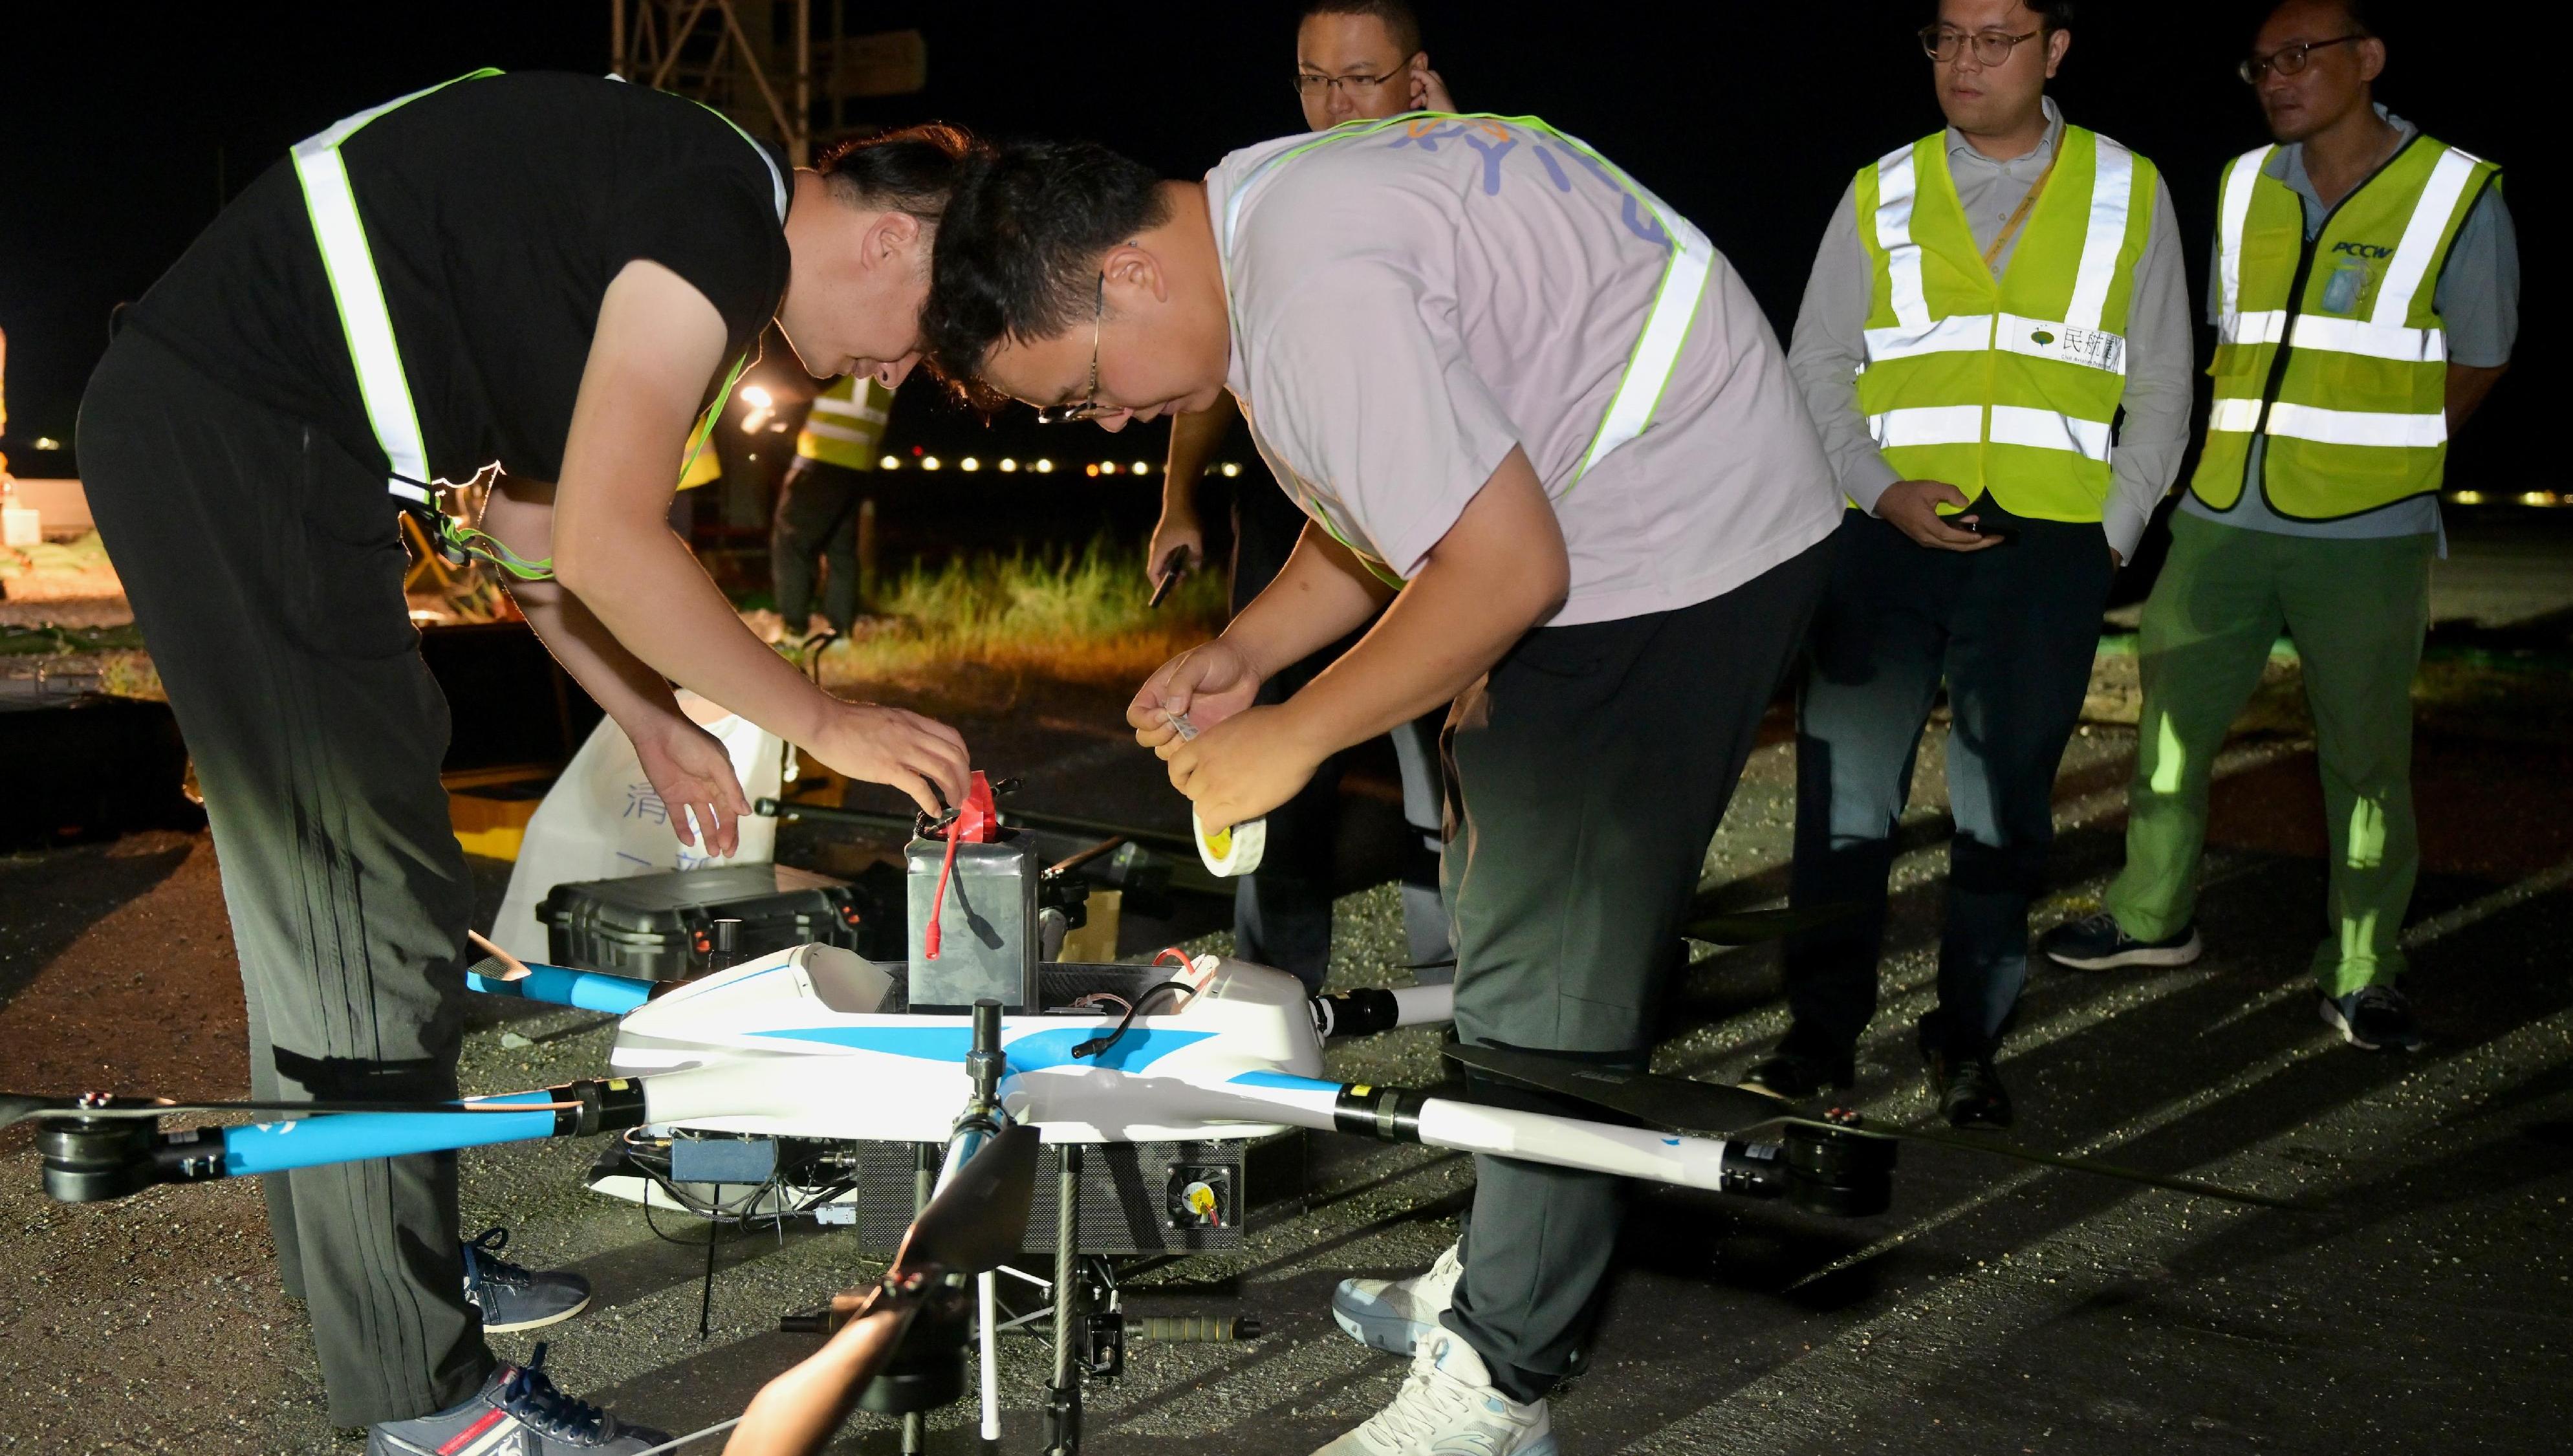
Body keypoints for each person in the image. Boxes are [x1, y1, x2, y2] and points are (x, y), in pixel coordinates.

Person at [77, 73, 976, 1455]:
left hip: (259, 446)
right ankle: (420, 1405)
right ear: (892, 238)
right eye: (925, 340)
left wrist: (647, 713)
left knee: (357, 908)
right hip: (245, 444)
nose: (894, 374)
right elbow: (617, 544)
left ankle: (396, 1264)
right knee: (358, 918)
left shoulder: (659, 206)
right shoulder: (717, 226)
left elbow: (540, 542)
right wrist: (823, 717)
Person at [926, 117, 1840, 1455]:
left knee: (1550, 969)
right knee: (1508, 913)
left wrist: (1291, 736)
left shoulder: (1310, 293)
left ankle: (1499, 1382)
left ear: (1124, 274)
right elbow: (1393, 506)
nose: (1111, 420)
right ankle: (1507, 1261)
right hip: (1630, 519)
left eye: (1081, 391)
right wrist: (1249, 649)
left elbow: (1500, 569)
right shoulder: (1262, 218)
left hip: (1671, 548)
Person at [2040, 0, 2514, 1052]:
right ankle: (2150, 916)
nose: (2278, 78)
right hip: (2222, 517)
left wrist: (2384, 457)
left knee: (2363, 759)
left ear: (2369, 59)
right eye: (2261, 64)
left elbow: (2479, 357)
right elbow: (2235, 342)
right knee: (2169, 728)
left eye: (2301, 56)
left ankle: (2360, 967)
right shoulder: (2246, 183)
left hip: (2367, 534)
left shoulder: (2453, 193)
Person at [1753, 0, 2193, 1128]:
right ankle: (1820, 1028)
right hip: (1885, 537)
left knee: (2004, 812)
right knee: (1843, 796)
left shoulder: (2127, 189)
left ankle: (1967, 1033)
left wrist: (2110, 531)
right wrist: (1874, 488)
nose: (1964, 60)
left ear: (2054, 49)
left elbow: (2160, 381)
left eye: (1995, 38)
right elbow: (1817, 364)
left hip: (2047, 547)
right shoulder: (1880, 186)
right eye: (1946, 36)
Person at [1147, 0, 1459, 990]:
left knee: (1441, 742)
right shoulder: (1261, 199)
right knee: (1270, 729)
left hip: (1441, 506)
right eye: (1312, 79)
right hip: (1299, 513)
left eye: (1359, 80)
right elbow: (1203, 368)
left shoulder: (1458, 182)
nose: (1333, 104)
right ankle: (1274, 979)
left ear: (1415, 77)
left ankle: (1456, 969)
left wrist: (1450, 145)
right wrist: (1177, 501)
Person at [770, 372, 896, 640]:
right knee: (841, 552)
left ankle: (793, 632)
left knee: (792, 543)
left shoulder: (846, 352)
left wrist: (774, 405)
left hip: (821, 458)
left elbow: (799, 389)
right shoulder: (887, 359)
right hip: (860, 463)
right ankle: (840, 635)